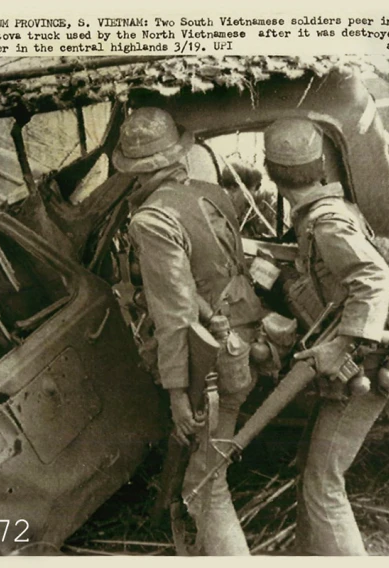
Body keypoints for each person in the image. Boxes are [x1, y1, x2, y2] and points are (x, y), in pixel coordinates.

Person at [263, 118, 389, 555]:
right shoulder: (328, 212)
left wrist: (341, 343)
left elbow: (373, 278)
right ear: (319, 166)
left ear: (271, 171)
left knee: (323, 480)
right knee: (314, 468)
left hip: (369, 360)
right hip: (369, 355)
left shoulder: (327, 223)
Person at [112, 107, 264, 555]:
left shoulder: (153, 221)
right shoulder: (213, 192)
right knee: (207, 471)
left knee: (203, 486)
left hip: (212, 359)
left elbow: (175, 314)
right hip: (246, 336)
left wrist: (178, 392)